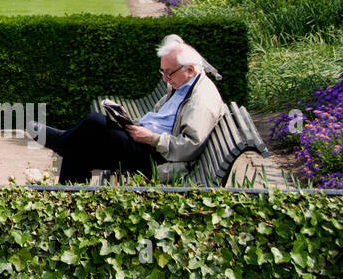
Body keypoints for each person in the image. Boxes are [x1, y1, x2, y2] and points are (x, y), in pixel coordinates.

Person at [26, 35, 224, 184]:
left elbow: (188, 147)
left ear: (189, 69)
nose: (165, 79)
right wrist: (128, 121)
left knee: (94, 124)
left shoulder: (202, 101)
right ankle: (66, 199)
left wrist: (151, 138)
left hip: (156, 157)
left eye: (168, 73)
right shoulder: (184, 83)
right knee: (80, 149)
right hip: (144, 140)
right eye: (162, 72)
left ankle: (61, 141)